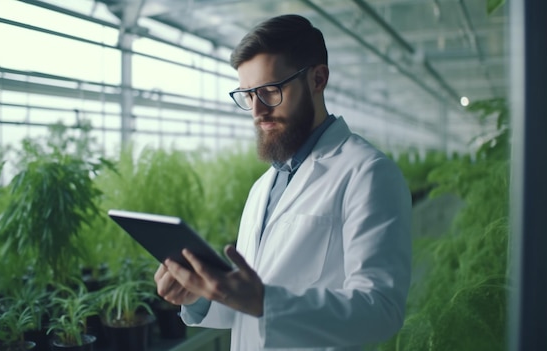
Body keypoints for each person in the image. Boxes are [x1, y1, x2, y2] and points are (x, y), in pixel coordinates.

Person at [154, 14, 412, 351]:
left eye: (270, 91)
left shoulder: (368, 173)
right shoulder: (263, 187)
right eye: (247, 95)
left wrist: (265, 301)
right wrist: (201, 296)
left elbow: (381, 311)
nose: (257, 111)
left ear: (318, 79)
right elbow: (246, 309)